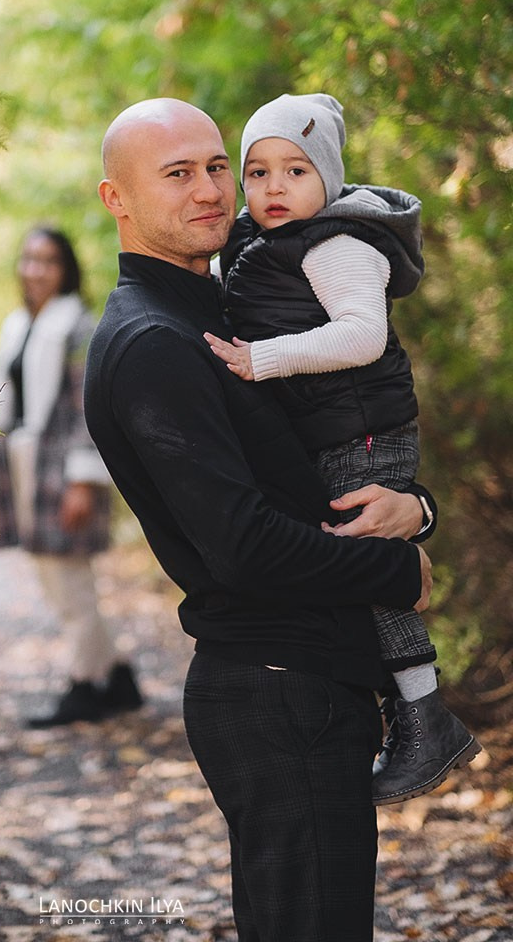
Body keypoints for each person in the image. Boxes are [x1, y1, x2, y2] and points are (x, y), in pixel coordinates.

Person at [83, 97, 436, 942]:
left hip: (310, 676)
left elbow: (330, 456)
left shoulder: (228, 305)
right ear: (116, 200)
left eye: (215, 167)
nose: (209, 191)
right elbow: (240, 544)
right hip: (276, 685)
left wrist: (413, 511)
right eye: (177, 175)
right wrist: (398, 571)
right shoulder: (155, 342)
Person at [203, 92, 480, 806]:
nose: (272, 188)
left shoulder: (339, 242)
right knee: (349, 564)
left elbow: (364, 335)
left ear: (327, 176)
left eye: (294, 171)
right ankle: (401, 711)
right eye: (257, 172)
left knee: (370, 565)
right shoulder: (261, 239)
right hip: (330, 430)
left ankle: (426, 715)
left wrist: (260, 360)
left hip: (366, 432)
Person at [0, 225, 142, 728]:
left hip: (63, 468)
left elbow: (85, 410)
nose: (35, 269)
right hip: (24, 461)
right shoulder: (20, 324)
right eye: (29, 259)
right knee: (55, 582)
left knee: (70, 584)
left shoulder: (78, 326)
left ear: (65, 268)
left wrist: (82, 481)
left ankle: (83, 685)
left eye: (47, 260)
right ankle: (117, 678)